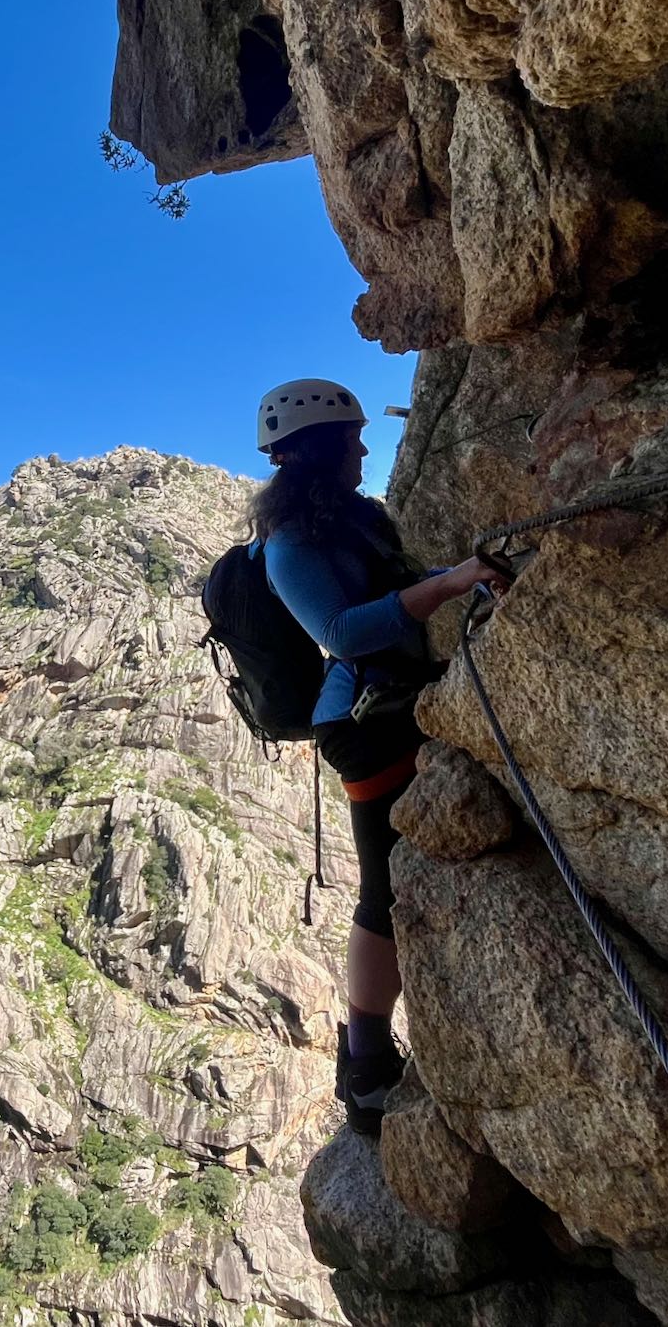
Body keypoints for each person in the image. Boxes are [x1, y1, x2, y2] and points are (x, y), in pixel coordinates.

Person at [252, 378, 506, 1134]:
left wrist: (462, 576)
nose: (365, 447)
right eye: (352, 438)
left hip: (401, 699)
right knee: (385, 887)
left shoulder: (358, 517)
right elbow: (343, 630)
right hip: (362, 721)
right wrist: (451, 584)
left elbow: (396, 592)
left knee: (406, 872)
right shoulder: (291, 542)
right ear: (321, 451)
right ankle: (364, 1058)